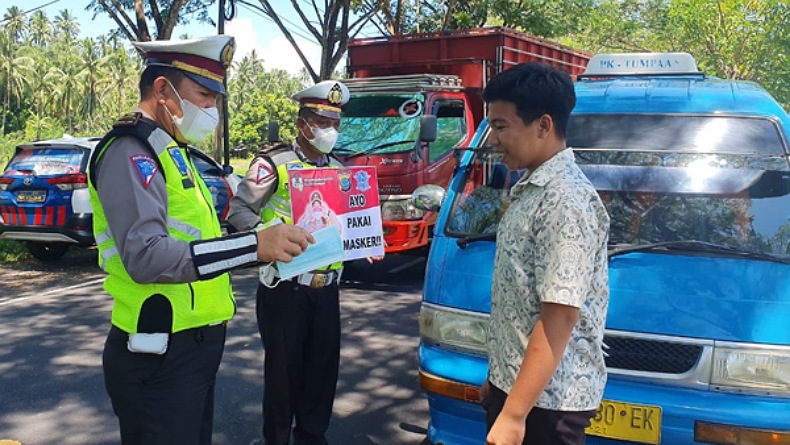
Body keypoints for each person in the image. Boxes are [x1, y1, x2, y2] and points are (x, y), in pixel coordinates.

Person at [87, 35, 314, 445]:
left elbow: (198, 242)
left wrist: (267, 246)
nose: (211, 109)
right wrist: (253, 245)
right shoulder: (130, 152)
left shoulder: (172, 151)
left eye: (215, 99)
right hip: (157, 353)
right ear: (162, 90)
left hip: (193, 345)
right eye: (204, 96)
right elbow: (147, 256)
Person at [479, 62, 610, 445]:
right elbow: (522, 300)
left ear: (543, 125)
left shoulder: (565, 200)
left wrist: (515, 413)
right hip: (521, 388)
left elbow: (559, 317)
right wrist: (498, 378)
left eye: (501, 127)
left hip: (548, 406)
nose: (492, 140)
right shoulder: (533, 187)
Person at [228, 80, 355, 445]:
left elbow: (348, 218)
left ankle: (313, 437)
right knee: (283, 377)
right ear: (302, 124)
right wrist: (269, 235)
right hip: (286, 289)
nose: (329, 131)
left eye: (335, 123)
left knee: (321, 374)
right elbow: (239, 209)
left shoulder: (339, 169)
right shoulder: (273, 164)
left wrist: (365, 242)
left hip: (327, 290)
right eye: (321, 122)